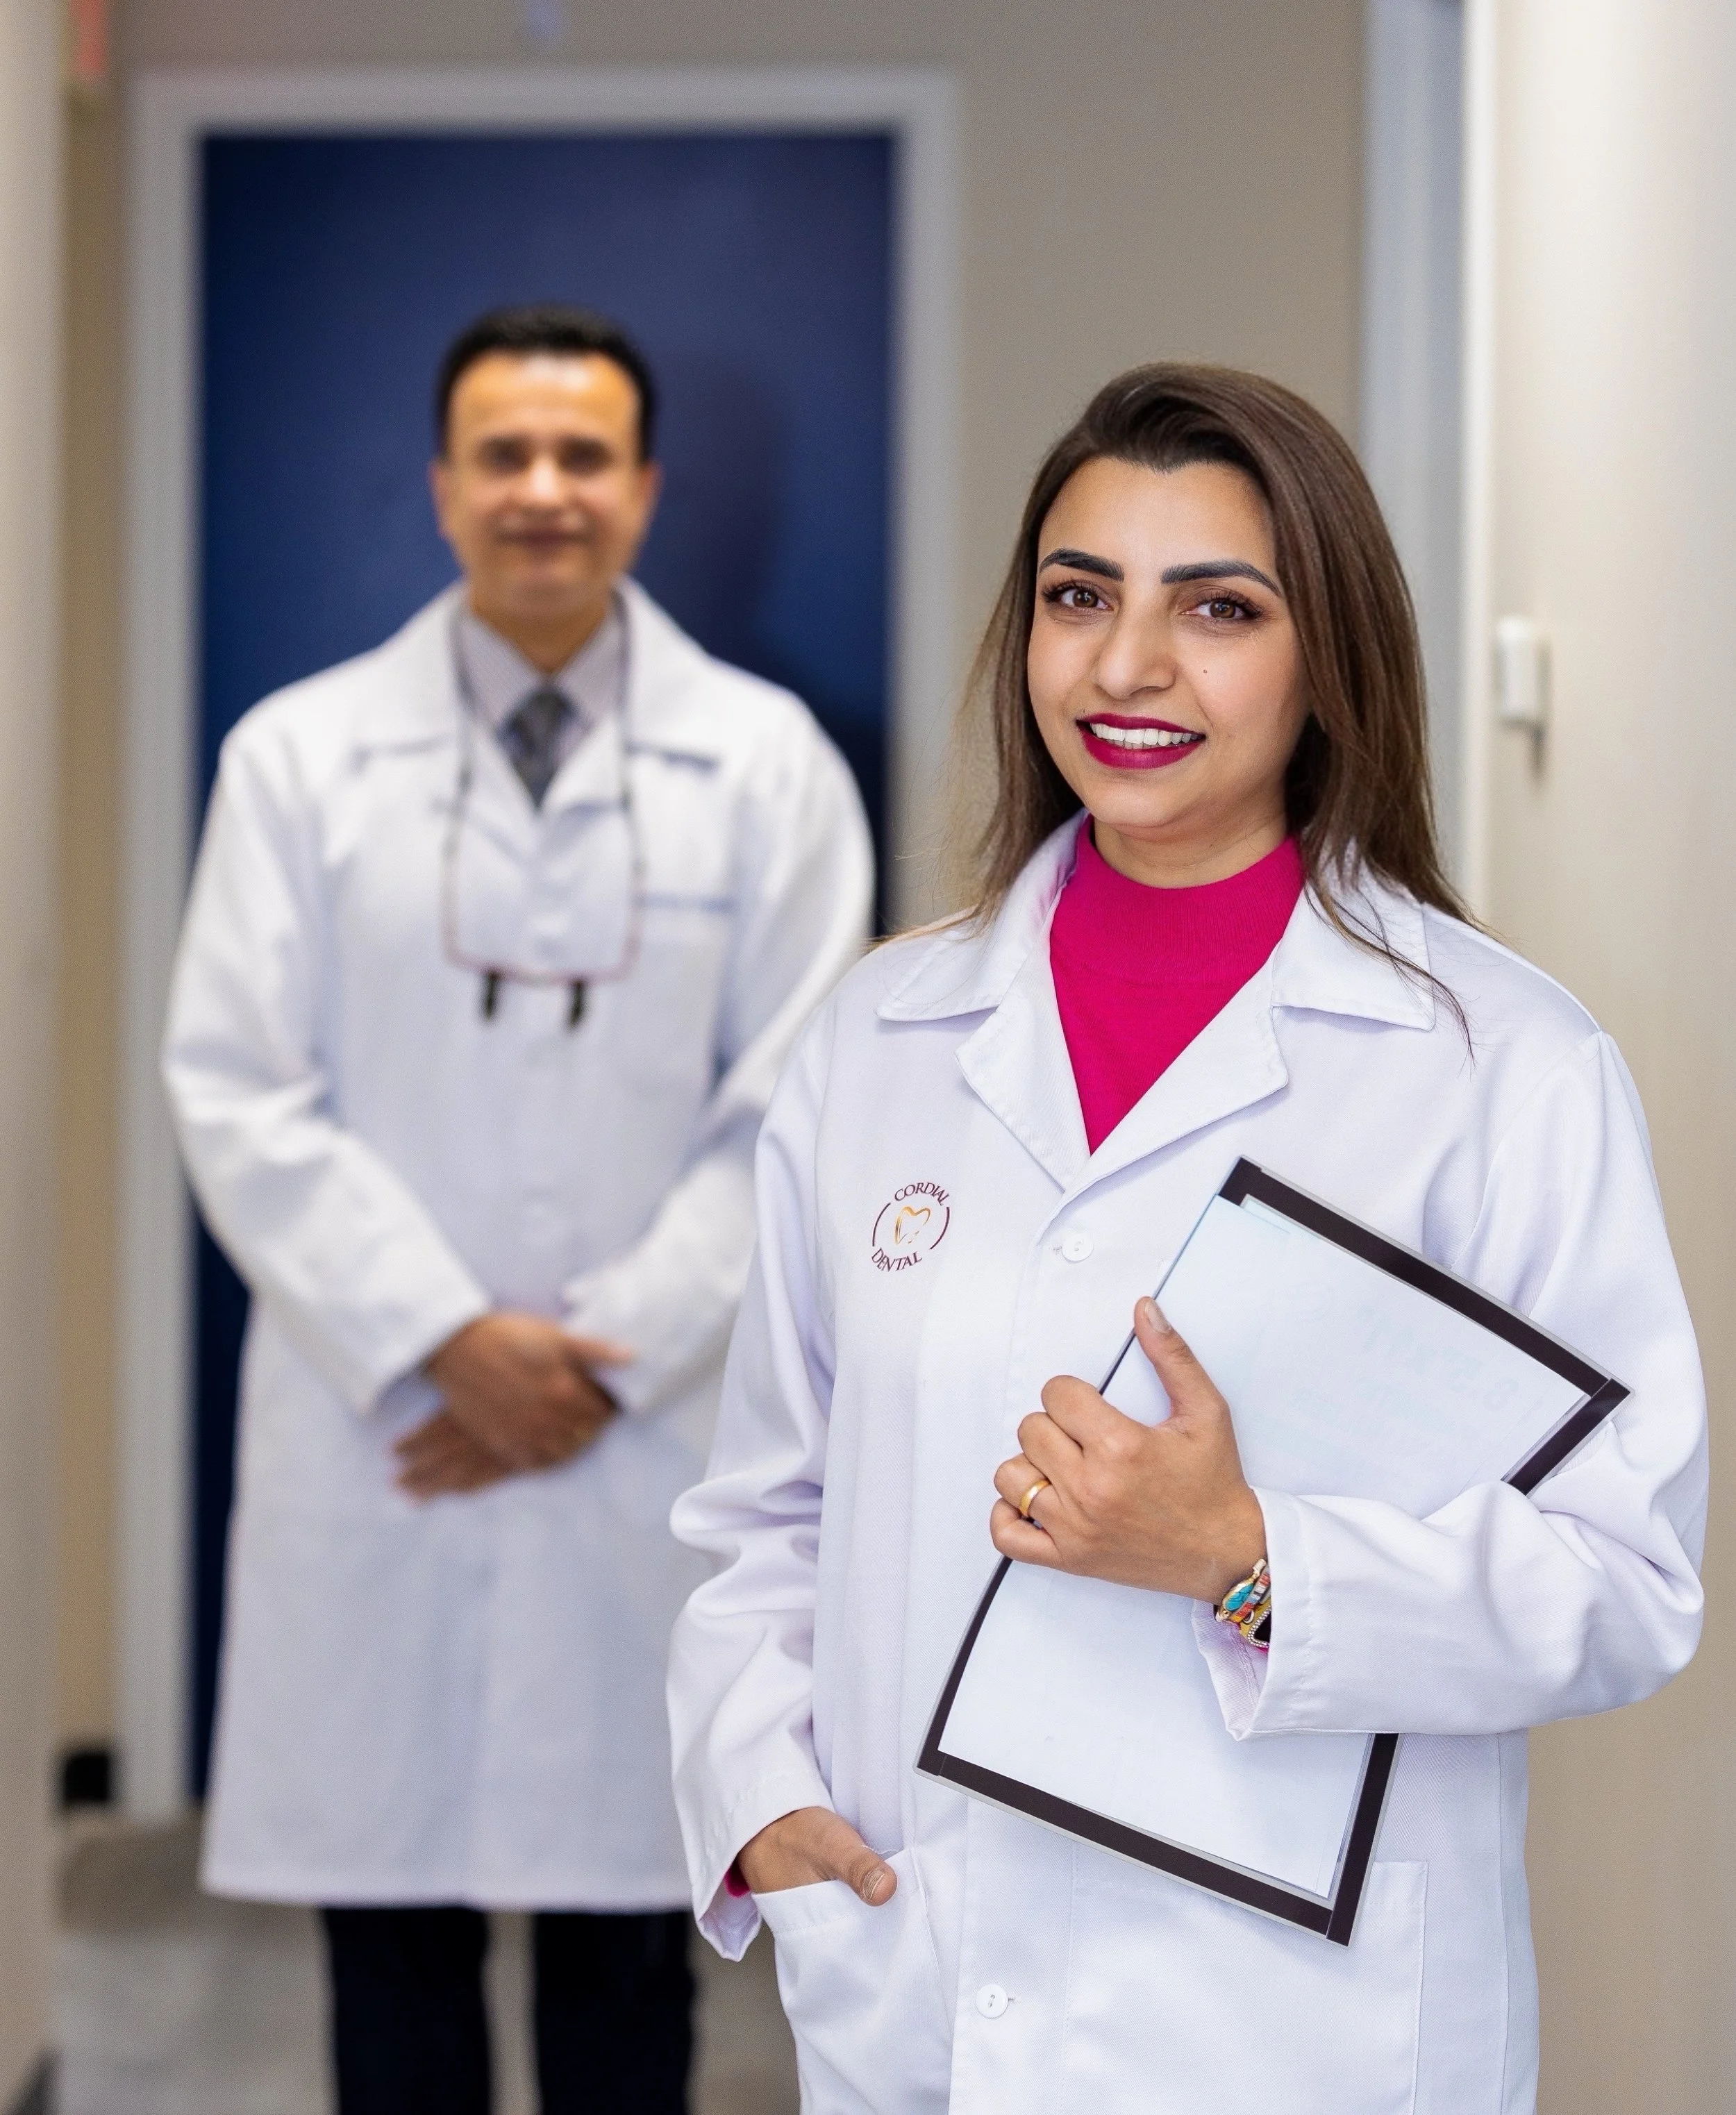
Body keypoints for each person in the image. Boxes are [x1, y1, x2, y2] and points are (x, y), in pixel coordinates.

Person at [665, 365, 1706, 2112]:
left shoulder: (1498, 1065)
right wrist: (758, 1797)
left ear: (1327, 659)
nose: (1125, 666)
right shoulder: (883, 1033)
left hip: (1301, 2019)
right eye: (1079, 596)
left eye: (1215, 608)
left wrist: (1244, 1553)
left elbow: (1626, 1576)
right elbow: (768, 1501)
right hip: (918, 1968)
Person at [163, 302, 874, 2114]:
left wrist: (584, 1369)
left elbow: (799, 1109)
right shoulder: (299, 760)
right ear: (441, 486)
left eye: (581, 455)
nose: (542, 490)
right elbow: (236, 1086)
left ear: (642, 488)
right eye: (504, 453)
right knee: (386, 1943)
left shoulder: (773, 764)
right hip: (385, 1421)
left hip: (638, 1444)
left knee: (632, 1938)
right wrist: (446, 1344)